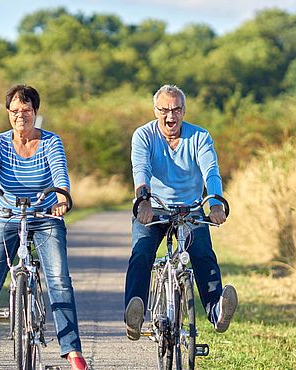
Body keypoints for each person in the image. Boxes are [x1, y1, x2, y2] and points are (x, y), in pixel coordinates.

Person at [0, 84, 87, 370]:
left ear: (35, 112)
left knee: (59, 280)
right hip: (7, 216)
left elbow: (60, 176)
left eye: (26, 111)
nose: (20, 116)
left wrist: (61, 199)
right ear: (8, 113)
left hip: (45, 216)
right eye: (14, 111)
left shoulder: (51, 142)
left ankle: (72, 350)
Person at [124, 84, 238, 341]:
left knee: (202, 254)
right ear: (155, 111)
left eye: (176, 109)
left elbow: (211, 171)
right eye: (164, 110)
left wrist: (216, 203)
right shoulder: (143, 136)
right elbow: (140, 169)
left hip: (190, 209)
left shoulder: (199, 137)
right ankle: (134, 316)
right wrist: (143, 200)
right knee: (141, 253)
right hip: (153, 208)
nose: (170, 116)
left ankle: (216, 311)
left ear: (184, 111)